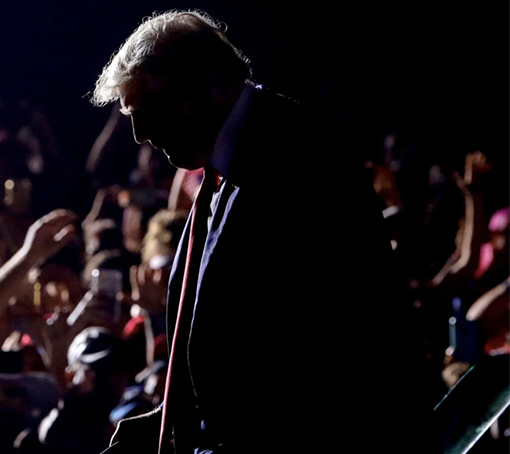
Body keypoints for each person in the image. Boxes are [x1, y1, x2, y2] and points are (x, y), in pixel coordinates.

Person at [90, 10, 437, 453]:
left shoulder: (295, 161)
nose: (139, 134)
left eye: (150, 110)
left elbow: (320, 354)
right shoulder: (238, 161)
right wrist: (174, 422)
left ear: (209, 88)